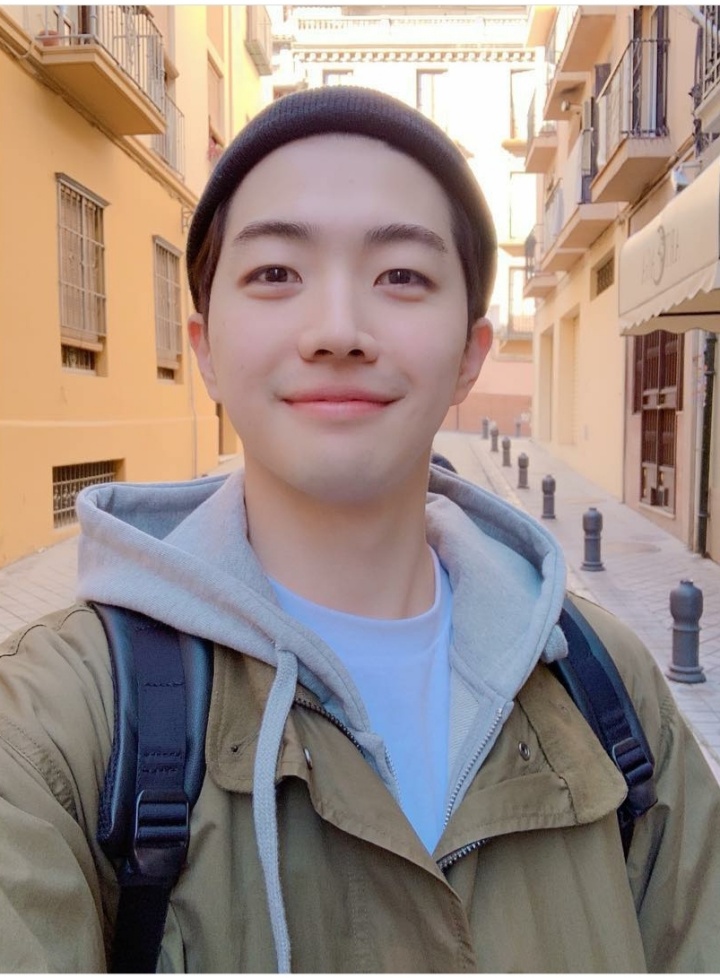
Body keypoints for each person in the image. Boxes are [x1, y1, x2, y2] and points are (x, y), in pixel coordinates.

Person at [1, 85, 719, 973]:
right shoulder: (58, 725)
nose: (338, 331)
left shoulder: (608, 686)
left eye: (402, 276)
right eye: (275, 274)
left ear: (471, 354)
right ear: (206, 347)